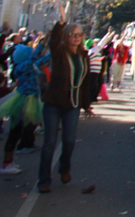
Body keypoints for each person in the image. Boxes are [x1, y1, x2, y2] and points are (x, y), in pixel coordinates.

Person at [37, 21, 93, 193]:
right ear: (67, 36)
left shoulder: (84, 56)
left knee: (69, 141)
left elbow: (84, 83)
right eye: (73, 35)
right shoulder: (60, 53)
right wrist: (60, 24)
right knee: (49, 143)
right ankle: (44, 181)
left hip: (73, 105)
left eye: (79, 35)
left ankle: (64, 168)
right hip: (53, 103)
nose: (76, 38)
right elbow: (53, 42)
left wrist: (86, 105)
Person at [0, 40, 45, 174]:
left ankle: (9, 162)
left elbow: (42, 60)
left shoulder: (30, 66)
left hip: (29, 99)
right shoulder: (21, 67)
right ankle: (6, 163)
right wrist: (42, 44)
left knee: (17, 131)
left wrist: (55, 50)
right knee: (14, 132)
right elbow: (34, 58)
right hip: (23, 100)